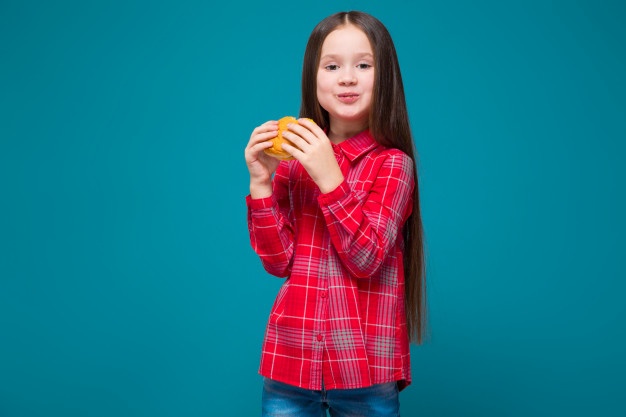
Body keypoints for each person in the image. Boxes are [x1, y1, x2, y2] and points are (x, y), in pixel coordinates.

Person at [244, 10, 426, 417]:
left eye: (363, 65)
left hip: (365, 371)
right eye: (332, 66)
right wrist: (260, 184)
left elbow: (365, 258)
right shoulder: (292, 164)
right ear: (314, 77)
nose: (347, 77)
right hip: (291, 364)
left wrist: (329, 176)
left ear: (387, 79)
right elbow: (279, 263)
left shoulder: (394, 165)